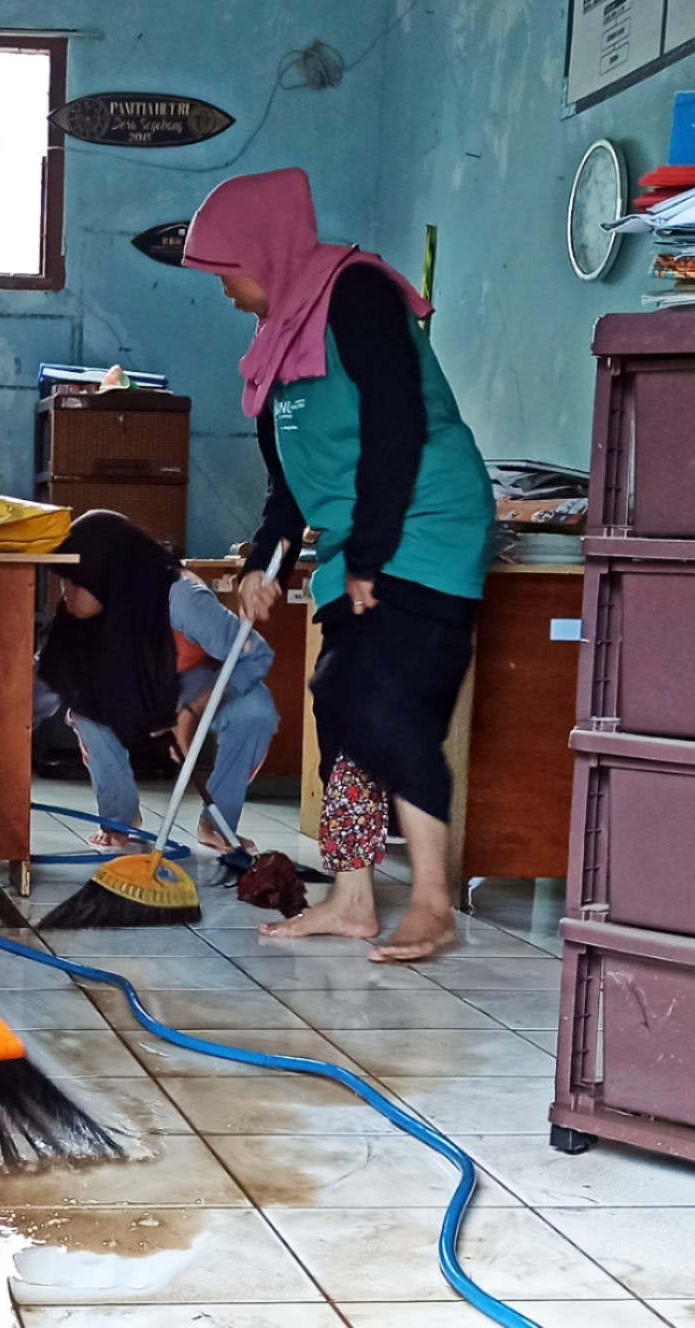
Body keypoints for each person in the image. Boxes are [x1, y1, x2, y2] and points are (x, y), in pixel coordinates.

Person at [183, 168, 494, 963]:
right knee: (340, 705)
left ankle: (430, 903)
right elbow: (288, 490)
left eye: (227, 271)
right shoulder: (274, 345)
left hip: (424, 523)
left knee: (380, 699)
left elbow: (397, 422)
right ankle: (353, 897)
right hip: (358, 537)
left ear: (265, 249)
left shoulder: (356, 294)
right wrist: (264, 564)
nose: (223, 292)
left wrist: (371, 550)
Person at [35, 511, 281, 853]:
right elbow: (42, 686)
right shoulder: (80, 617)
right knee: (86, 706)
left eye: (74, 581)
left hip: (197, 683)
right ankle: (119, 820)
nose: (66, 593)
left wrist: (194, 711)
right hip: (135, 687)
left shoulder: (180, 597)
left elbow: (256, 655)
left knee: (255, 710)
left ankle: (218, 823)